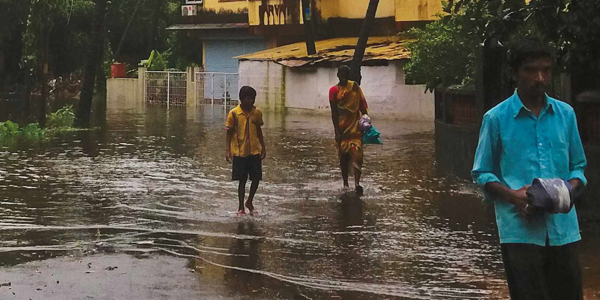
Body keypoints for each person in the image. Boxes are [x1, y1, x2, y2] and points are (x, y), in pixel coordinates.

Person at [472, 38, 587, 300]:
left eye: (546, 70)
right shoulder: (496, 118)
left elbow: (578, 167)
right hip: (519, 232)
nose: (540, 77)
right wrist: (514, 196)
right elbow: (481, 172)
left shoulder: (566, 114)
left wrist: (565, 191)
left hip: (564, 230)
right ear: (514, 74)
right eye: (530, 70)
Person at [225, 86, 266, 215]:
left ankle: (250, 201)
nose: (251, 101)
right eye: (249, 98)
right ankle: (241, 207)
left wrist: (263, 146)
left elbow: (259, 130)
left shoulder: (257, 113)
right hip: (239, 152)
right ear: (242, 99)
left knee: (256, 178)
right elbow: (229, 132)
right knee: (242, 180)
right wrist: (228, 150)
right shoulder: (233, 113)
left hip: (254, 151)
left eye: (253, 98)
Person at [329, 65, 369, 195]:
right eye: (341, 75)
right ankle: (345, 183)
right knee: (343, 157)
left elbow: (362, 105)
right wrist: (337, 132)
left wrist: (366, 120)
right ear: (338, 75)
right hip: (342, 129)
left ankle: (357, 184)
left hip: (355, 128)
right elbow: (334, 112)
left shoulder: (355, 87)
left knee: (357, 154)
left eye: (346, 75)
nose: (343, 78)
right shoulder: (334, 91)